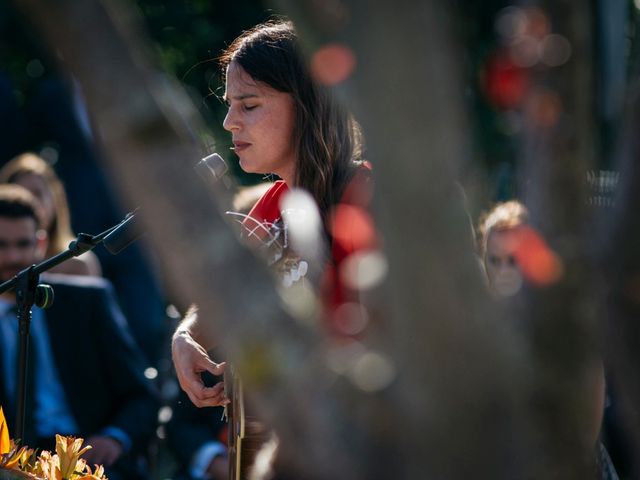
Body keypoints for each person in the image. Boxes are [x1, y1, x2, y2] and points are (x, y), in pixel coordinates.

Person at [0, 184, 158, 480]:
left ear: (41, 242)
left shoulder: (88, 302)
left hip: (89, 459)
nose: (12, 257)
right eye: (1, 245)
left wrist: (114, 437)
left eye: (22, 244)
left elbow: (142, 395)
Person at [0, 152, 102, 276]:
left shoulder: (77, 263)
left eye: (37, 193)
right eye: (20, 194)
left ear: (54, 198)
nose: (30, 201)